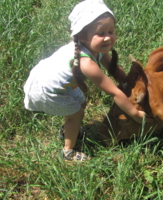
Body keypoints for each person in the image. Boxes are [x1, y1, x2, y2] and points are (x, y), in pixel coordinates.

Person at [24, 0, 151, 161]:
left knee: (81, 104)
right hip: (47, 90)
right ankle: (68, 151)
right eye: (101, 33)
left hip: (58, 84)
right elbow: (113, 92)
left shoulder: (97, 49)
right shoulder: (87, 63)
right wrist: (135, 114)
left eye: (111, 31)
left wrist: (128, 84)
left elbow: (114, 70)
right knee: (76, 113)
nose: (107, 38)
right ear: (83, 36)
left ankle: (69, 130)